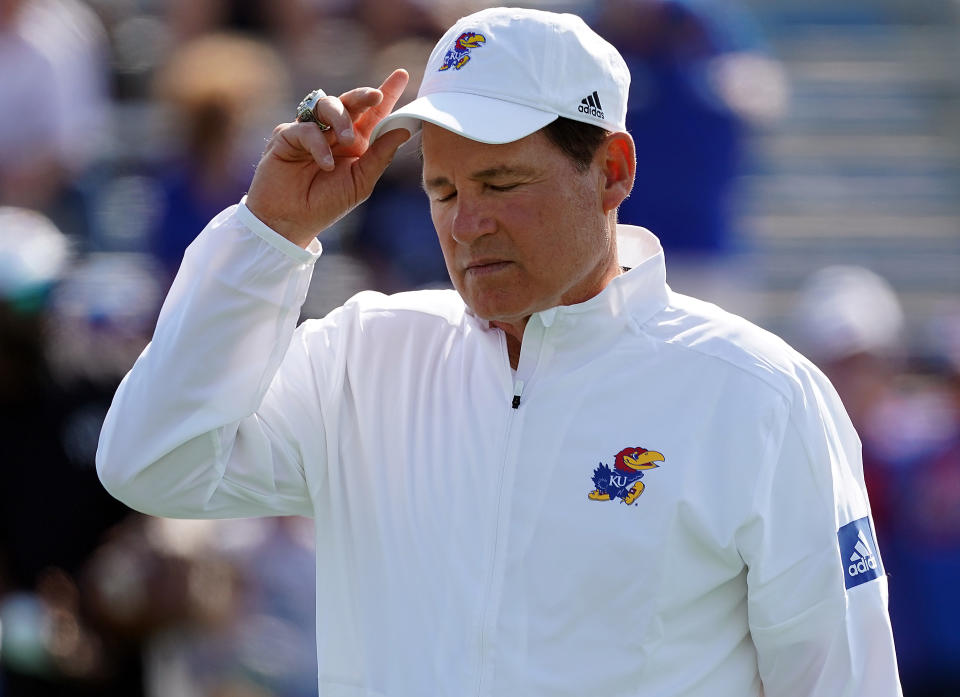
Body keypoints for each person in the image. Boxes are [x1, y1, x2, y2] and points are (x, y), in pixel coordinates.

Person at [97, 7, 902, 696]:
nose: (466, 223)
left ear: (612, 172)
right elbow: (150, 462)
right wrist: (267, 235)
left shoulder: (758, 392)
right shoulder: (363, 354)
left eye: (504, 183)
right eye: (443, 191)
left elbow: (843, 677)